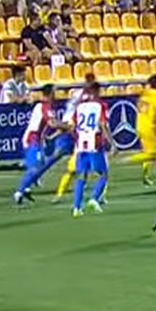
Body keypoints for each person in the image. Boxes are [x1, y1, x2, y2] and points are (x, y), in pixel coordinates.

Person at [67, 81, 114, 217]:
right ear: (97, 92)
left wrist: (77, 138)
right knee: (103, 174)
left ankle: (76, 208)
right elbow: (103, 125)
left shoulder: (79, 107)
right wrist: (112, 143)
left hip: (81, 144)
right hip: (95, 143)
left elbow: (72, 127)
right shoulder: (101, 106)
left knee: (82, 176)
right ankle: (94, 198)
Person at [13, 84, 62, 204]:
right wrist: (66, 125)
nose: (56, 95)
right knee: (36, 167)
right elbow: (52, 123)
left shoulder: (42, 105)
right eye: (54, 92)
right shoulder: (45, 106)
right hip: (32, 138)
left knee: (40, 164)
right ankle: (19, 192)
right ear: (50, 93)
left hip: (36, 139)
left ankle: (27, 188)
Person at [127, 74, 156, 185]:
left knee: (147, 153)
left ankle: (146, 176)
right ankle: (126, 161)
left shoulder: (144, 94)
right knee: (151, 154)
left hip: (139, 124)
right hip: (149, 126)